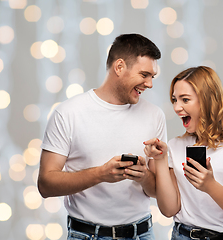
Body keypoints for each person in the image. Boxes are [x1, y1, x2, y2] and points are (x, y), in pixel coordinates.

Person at [38, 33, 167, 240]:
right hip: (87, 235)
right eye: (144, 75)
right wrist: (101, 174)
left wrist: (144, 176)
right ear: (119, 67)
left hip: (142, 234)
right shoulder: (68, 113)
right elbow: (45, 185)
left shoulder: (155, 115)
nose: (150, 84)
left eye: (153, 76)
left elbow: (156, 191)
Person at [144, 66, 223, 240]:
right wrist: (161, 160)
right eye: (174, 100)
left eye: (185, 100)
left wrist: (210, 185)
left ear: (207, 100)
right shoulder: (175, 146)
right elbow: (169, 209)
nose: (177, 107)